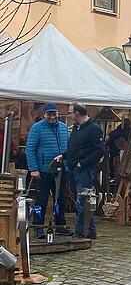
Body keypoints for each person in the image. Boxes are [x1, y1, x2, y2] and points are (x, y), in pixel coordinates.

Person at [27, 102, 71, 238]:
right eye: (49, 114)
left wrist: (67, 165)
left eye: (54, 114)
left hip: (60, 170)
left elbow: (69, 149)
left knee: (61, 199)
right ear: (44, 114)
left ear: (58, 114)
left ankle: (59, 225)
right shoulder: (37, 128)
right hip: (43, 170)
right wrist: (34, 169)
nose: (52, 117)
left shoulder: (64, 128)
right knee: (41, 200)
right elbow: (30, 149)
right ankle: (38, 227)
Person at [66, 102, 105, 239]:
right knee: (83, 201)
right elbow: (73, 147)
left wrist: (82, 164)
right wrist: (64, 156)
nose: (69, 115)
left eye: (71, 112)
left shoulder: (93, 128)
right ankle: (91, 230)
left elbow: (100, 150)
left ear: (77, 113)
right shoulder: (77, 128)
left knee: (83, 201)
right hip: (74, 168)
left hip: (84, 170)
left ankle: (81, 232)